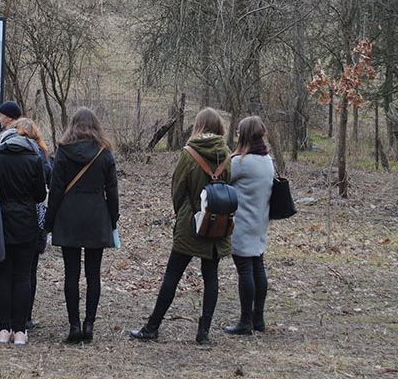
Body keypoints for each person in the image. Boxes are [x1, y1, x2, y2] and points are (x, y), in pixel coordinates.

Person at [130, 107, 231, 345]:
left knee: (172, 275)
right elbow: (228, 187)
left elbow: (178, 190)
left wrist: (183, 212)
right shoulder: (227, 154)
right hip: (218, 224)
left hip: (190, 222)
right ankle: (203, 334)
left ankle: (152, 327)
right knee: (211, 277)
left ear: (199, 125)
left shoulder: (189, 153)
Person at [46, 107, 119, 344]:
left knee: (71, 274)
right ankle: (89, 326)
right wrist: (113, 219)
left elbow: (56, 190)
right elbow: (112, 192)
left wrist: (49, 221)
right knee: (93, 275)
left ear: (73, 126)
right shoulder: (104, 153)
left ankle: (74, 326)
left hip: (69, 216)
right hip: (97, 216)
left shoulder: (63, 152)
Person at [0, 117, 48, 345]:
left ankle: (3, 328)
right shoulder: (34, 159)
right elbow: (40, 194)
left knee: (2, 275)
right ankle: (20, 331)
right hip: (26, 223)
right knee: (22, 276)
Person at [223, 116, 274, 335]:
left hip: (243, 223)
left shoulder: (241, 163)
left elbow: (220, 177)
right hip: (260, 221)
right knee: (257, 266)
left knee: (245, 269)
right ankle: (258, 318)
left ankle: (245, 321)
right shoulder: (267, 160)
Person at [11, 117, 53, 330]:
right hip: (35, 216)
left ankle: (8, 317)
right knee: (29, 269)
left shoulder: (3, 152)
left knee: (8, 268)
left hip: (9, 216)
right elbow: (45, 187)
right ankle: (25, 316)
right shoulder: (41, 155)